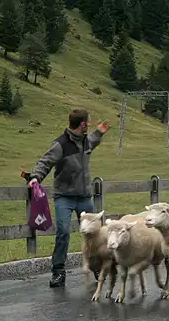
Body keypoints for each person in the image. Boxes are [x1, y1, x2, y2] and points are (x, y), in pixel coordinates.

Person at [29, 109, 110, 288]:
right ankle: (58, 272)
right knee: (63, 232)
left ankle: (96, 267)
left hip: (84, 197)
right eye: (87, 123)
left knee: (95, 233)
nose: (88, 125)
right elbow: (46, 162)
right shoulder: (60, 144)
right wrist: (35, 177)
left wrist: (99, 132)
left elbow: (92, 142)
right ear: (82, 124)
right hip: (64, 197)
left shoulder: (85, 141)